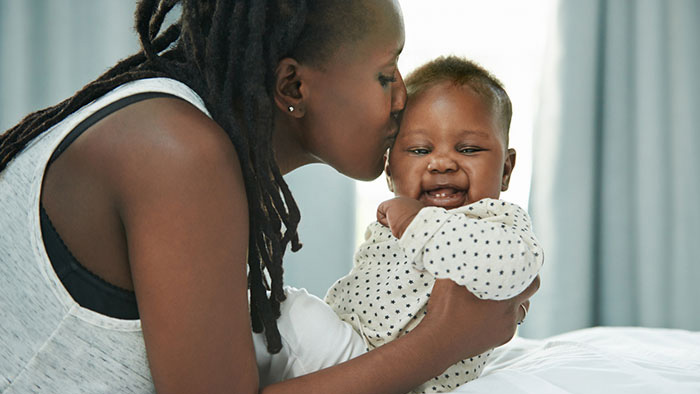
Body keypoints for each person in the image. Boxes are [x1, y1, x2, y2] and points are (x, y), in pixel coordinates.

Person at [0, 1, 538, 393]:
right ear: (293, 88)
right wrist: (446, 338)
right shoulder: (177, 152)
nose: (403, 98)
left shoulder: (185, 132)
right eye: (384, 73)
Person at [325, 56, 544, 393]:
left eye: (469, 149)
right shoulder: (392, 222)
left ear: (505, 170)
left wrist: (417, 223)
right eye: (418, 150)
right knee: (278, 315)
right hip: (340, 349)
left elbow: (512, 267)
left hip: (417, 379)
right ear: (389, 170)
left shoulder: (497, 222)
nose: (441, 163)